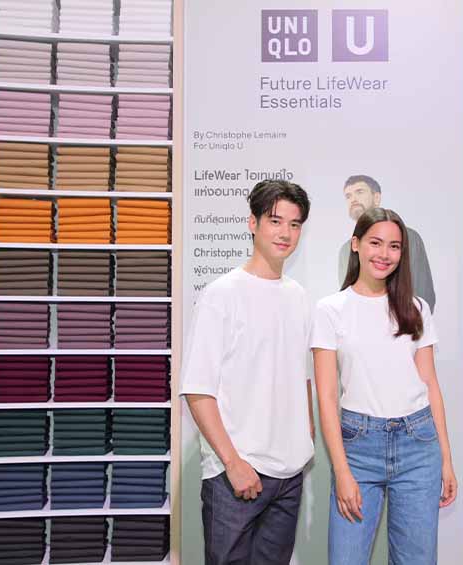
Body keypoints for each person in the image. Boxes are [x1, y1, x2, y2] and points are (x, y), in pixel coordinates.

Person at [179, 179, 315, 565]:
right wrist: (233, 463)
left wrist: (306, 435)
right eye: (275, 221)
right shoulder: (221, 294)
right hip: (235, 473)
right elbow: (198, 390)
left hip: (288, 473)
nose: (285, 232)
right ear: (253, 223)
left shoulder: (299, 296)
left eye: (294, 224)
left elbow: (301, 374)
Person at [312, 207, 457, 565]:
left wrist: (446, 460)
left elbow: (430, 384)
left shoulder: (416, 308)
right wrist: (342, 471)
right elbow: (327, 398)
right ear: (356, 244)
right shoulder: (330, 310)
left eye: (394, 246)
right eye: (375, 243)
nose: (384, 254)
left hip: (418, 444)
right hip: (358, 448)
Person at [337, 175, 436, 311]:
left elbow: (424, 297)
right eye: (348, 196)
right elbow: (348, 299)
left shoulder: (409, 237)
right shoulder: (345, 250)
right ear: (356, 244)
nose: (353, 199)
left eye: (359, 192)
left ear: (376, 197)